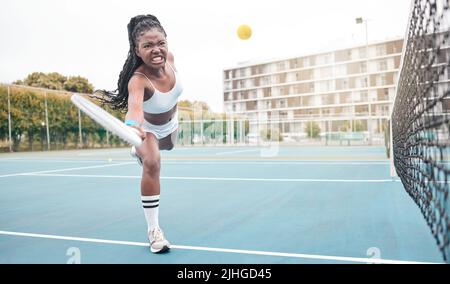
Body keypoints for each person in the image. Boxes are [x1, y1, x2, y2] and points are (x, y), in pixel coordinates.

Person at [96, 14, 182, 253]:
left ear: (166, 42)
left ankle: (138, 151)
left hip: (172, 123)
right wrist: (133, 126)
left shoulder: (171, 59)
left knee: (169, 146)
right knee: (153, 162)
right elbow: (135, 109)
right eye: (148, 45)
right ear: (136, 50)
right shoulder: (138, 80)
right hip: (149, 129)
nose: (156, 50)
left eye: (160, 43)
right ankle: (154, 231)